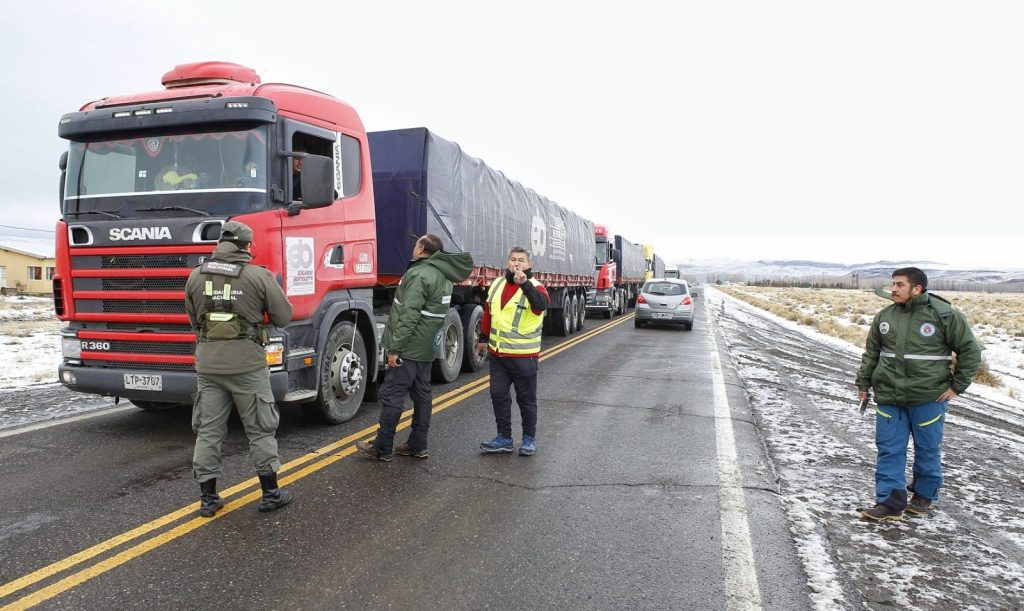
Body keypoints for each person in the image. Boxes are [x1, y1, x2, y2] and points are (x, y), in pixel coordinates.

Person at [184, 221, 294, 517]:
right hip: (247, 364)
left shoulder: (196, 276)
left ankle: (208, 499)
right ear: (247, 246)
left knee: (208, 430)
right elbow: (283, 316)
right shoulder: (258, 276)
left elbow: (194, 321)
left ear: (220, 243)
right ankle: (270, 494)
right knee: (260, 428)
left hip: (208, 364)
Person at [856, 267, 981, 521]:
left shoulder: (944, 315)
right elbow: (872, 354)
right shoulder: (885, 316)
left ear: (917, 288)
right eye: (893, 283)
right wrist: (863, 384)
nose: (893, 289)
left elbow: (970, 351)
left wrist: (957, 386)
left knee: (927, 449)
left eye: (900, 284)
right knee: (889, 449)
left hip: (928, 398)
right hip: (889, 397)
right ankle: (889, 503)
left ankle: (924, 496)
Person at [356, 234, 473, 461]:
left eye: (416, 244)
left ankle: (382, 446)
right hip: (427, 348)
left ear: (421, 250)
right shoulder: (443, 276)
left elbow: (409, 316)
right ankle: (417, 445)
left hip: (409, 347)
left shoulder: (419, 274)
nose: (413, 247)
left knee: (392, 394)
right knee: (422, 394)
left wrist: (394, 349)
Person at [478, 247, 550, 456]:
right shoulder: (498, 284)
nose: (516, 263)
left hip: (523, 357)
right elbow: (489, 313)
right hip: (498, 355)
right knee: (498, 396)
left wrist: (524, 284)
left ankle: (528, 439)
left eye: (521, 260)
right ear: (508, 262)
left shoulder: (536, 287)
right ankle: (504, 438)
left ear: (529, 265)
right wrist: (483, 339)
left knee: (526, 400)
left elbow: (540, 305)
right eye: (512, 260)